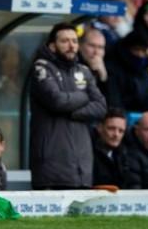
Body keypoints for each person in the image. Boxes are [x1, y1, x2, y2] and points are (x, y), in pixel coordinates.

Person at [29, 23, 106, 190]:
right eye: (65, 41)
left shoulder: (83, 71)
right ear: (52, 45)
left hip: (81, 167)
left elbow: (101, 106)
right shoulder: (41, 68)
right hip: (51, 166)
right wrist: (85, 96)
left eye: (75, 41)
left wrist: (73, 113)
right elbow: (57, 101)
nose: (71, 46)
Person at [92, 108, 130, 189]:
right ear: (99, 128)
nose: (116, 134)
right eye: (111, 128)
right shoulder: (89, 154)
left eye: (121, 131)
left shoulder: (124, 155)